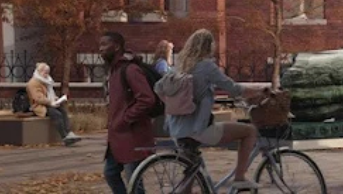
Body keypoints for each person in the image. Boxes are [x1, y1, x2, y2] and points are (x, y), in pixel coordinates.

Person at [164, 29, 261, 186]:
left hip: (176, 128)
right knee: (249, 131)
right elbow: (234, 89)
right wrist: (259, 91)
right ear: (209, 47)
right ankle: (240, 177)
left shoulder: (179, 66)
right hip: (198, 129)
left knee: (190, 175)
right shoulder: (207, 66)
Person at [100, 30, 160, 194]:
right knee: (110, 173)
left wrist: (125, 118)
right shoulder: (113, 70)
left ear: (117, 46)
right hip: (117, 138)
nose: (101, 49)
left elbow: (147, 99)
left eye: (105, 44)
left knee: (134, 182)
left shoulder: (130, 70)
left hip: (133, 136)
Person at [28, 62, 81, 146]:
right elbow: (38, 98)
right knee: (56, 114)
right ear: (39, 72)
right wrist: (50, 102)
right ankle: (64, 136)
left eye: (47, 72)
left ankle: (69, 133)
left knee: (63, 111)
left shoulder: (46, 81)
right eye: (45, 72)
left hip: (49, 103)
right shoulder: (33, 83)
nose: (46, 74)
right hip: (40, 106)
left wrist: (55, 99)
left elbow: (49, 93)